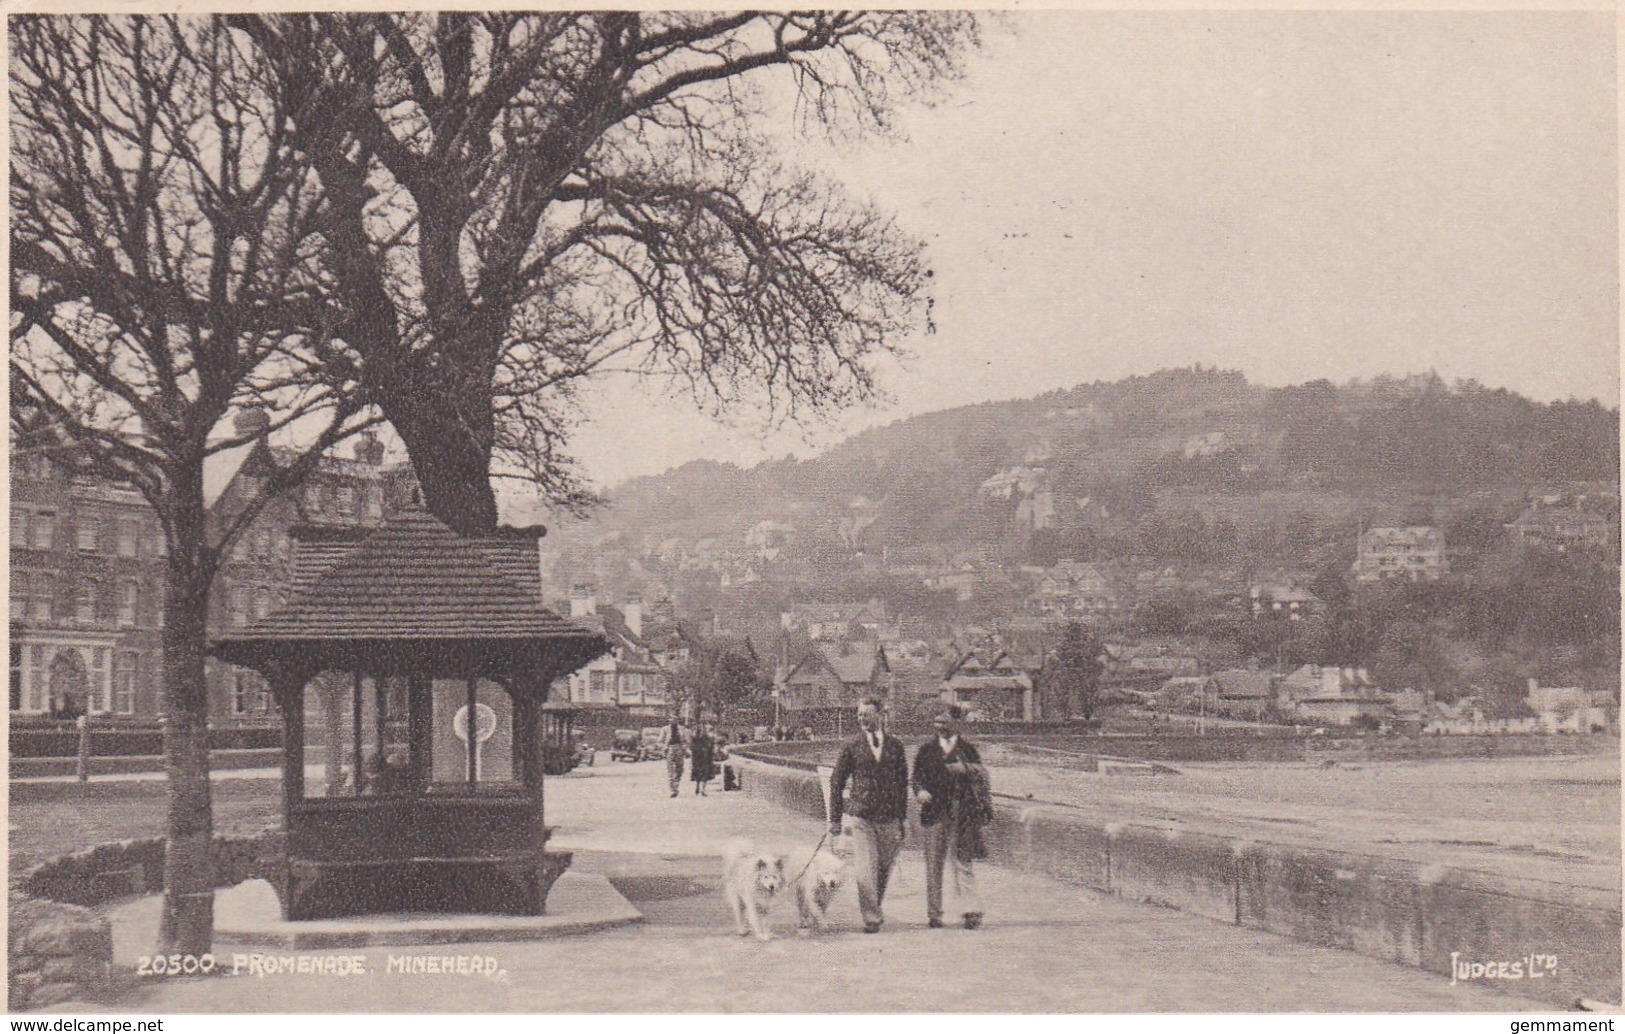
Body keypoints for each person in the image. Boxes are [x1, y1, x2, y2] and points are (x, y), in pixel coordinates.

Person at [827, 698, 909, 933]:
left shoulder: (896, 746)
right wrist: (834, 819)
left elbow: (902, 784)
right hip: (861, 817)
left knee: (883, 868)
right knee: (864, 871)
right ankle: (871, 918)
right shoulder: (851, 746)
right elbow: (836, 782)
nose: (861, 719)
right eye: (860, 714)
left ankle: (875, 907)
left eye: (866, 714)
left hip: (890, 817)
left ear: (880, 715)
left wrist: (903, 818)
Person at [913, 703, 991, 930]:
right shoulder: (926, 750)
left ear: (956, 723)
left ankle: (971, 910)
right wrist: (920, 791)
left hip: (963, 812)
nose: (940, 726)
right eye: (937, 722)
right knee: (933, 863)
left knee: (963, 861)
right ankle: (934, 913)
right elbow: (916, 777)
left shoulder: (968, 749)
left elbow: (981, 773)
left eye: (944, 722)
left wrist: (964, 769)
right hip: (934, 812)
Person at [660, 719, 687, 798]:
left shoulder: (682, 729)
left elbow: (685, 740)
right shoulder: (665, 729)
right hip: (670, 749)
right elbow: (659, 741)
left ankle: (676, 784)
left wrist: (685, 747)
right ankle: (673, 789)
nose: (673, 722)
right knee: (670, 770)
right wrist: (664, 747)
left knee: (680, 769)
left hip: (679, 749)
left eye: (675, 720)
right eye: (671, 721)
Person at [689, 724, 716, 796]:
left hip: (701, 757)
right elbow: (711, 747)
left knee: (701, 772)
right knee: (703, 773)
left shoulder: (696, 737)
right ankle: (701, 788)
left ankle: (700, 788)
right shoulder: (706, 737)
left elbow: (691, 747)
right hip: (703, 757)